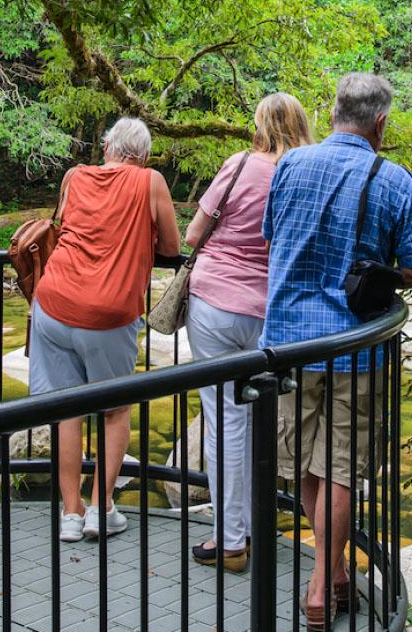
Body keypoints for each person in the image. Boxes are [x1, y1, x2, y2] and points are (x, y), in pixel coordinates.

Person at [261, 73, 412, 629]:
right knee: (338, 469)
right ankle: (319, 589)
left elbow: (272, 235)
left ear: (332, 111)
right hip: (353, 351)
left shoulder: (289, 164)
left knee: (310, 467)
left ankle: (333, 575)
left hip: (287, 343)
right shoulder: (392, 178)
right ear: (380, 122)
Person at [28, 117, 180, 542]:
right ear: (144, 155)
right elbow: (171, 247)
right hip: (110, 313)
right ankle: (101, 506)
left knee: (67, 410)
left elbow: (63, 226)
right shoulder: (151, 182)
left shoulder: (74, 176)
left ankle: (70, 514)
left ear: (108, 146)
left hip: (54, 301)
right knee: (114, 410)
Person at [184, 93, 314, 572]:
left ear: (260, 125)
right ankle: (262, 525)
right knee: (262, 420)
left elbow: (194, 234)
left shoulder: (240, 164)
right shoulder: (304, 174)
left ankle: (230, 540)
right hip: (272, 313)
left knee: (223, 421)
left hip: (216, 304)